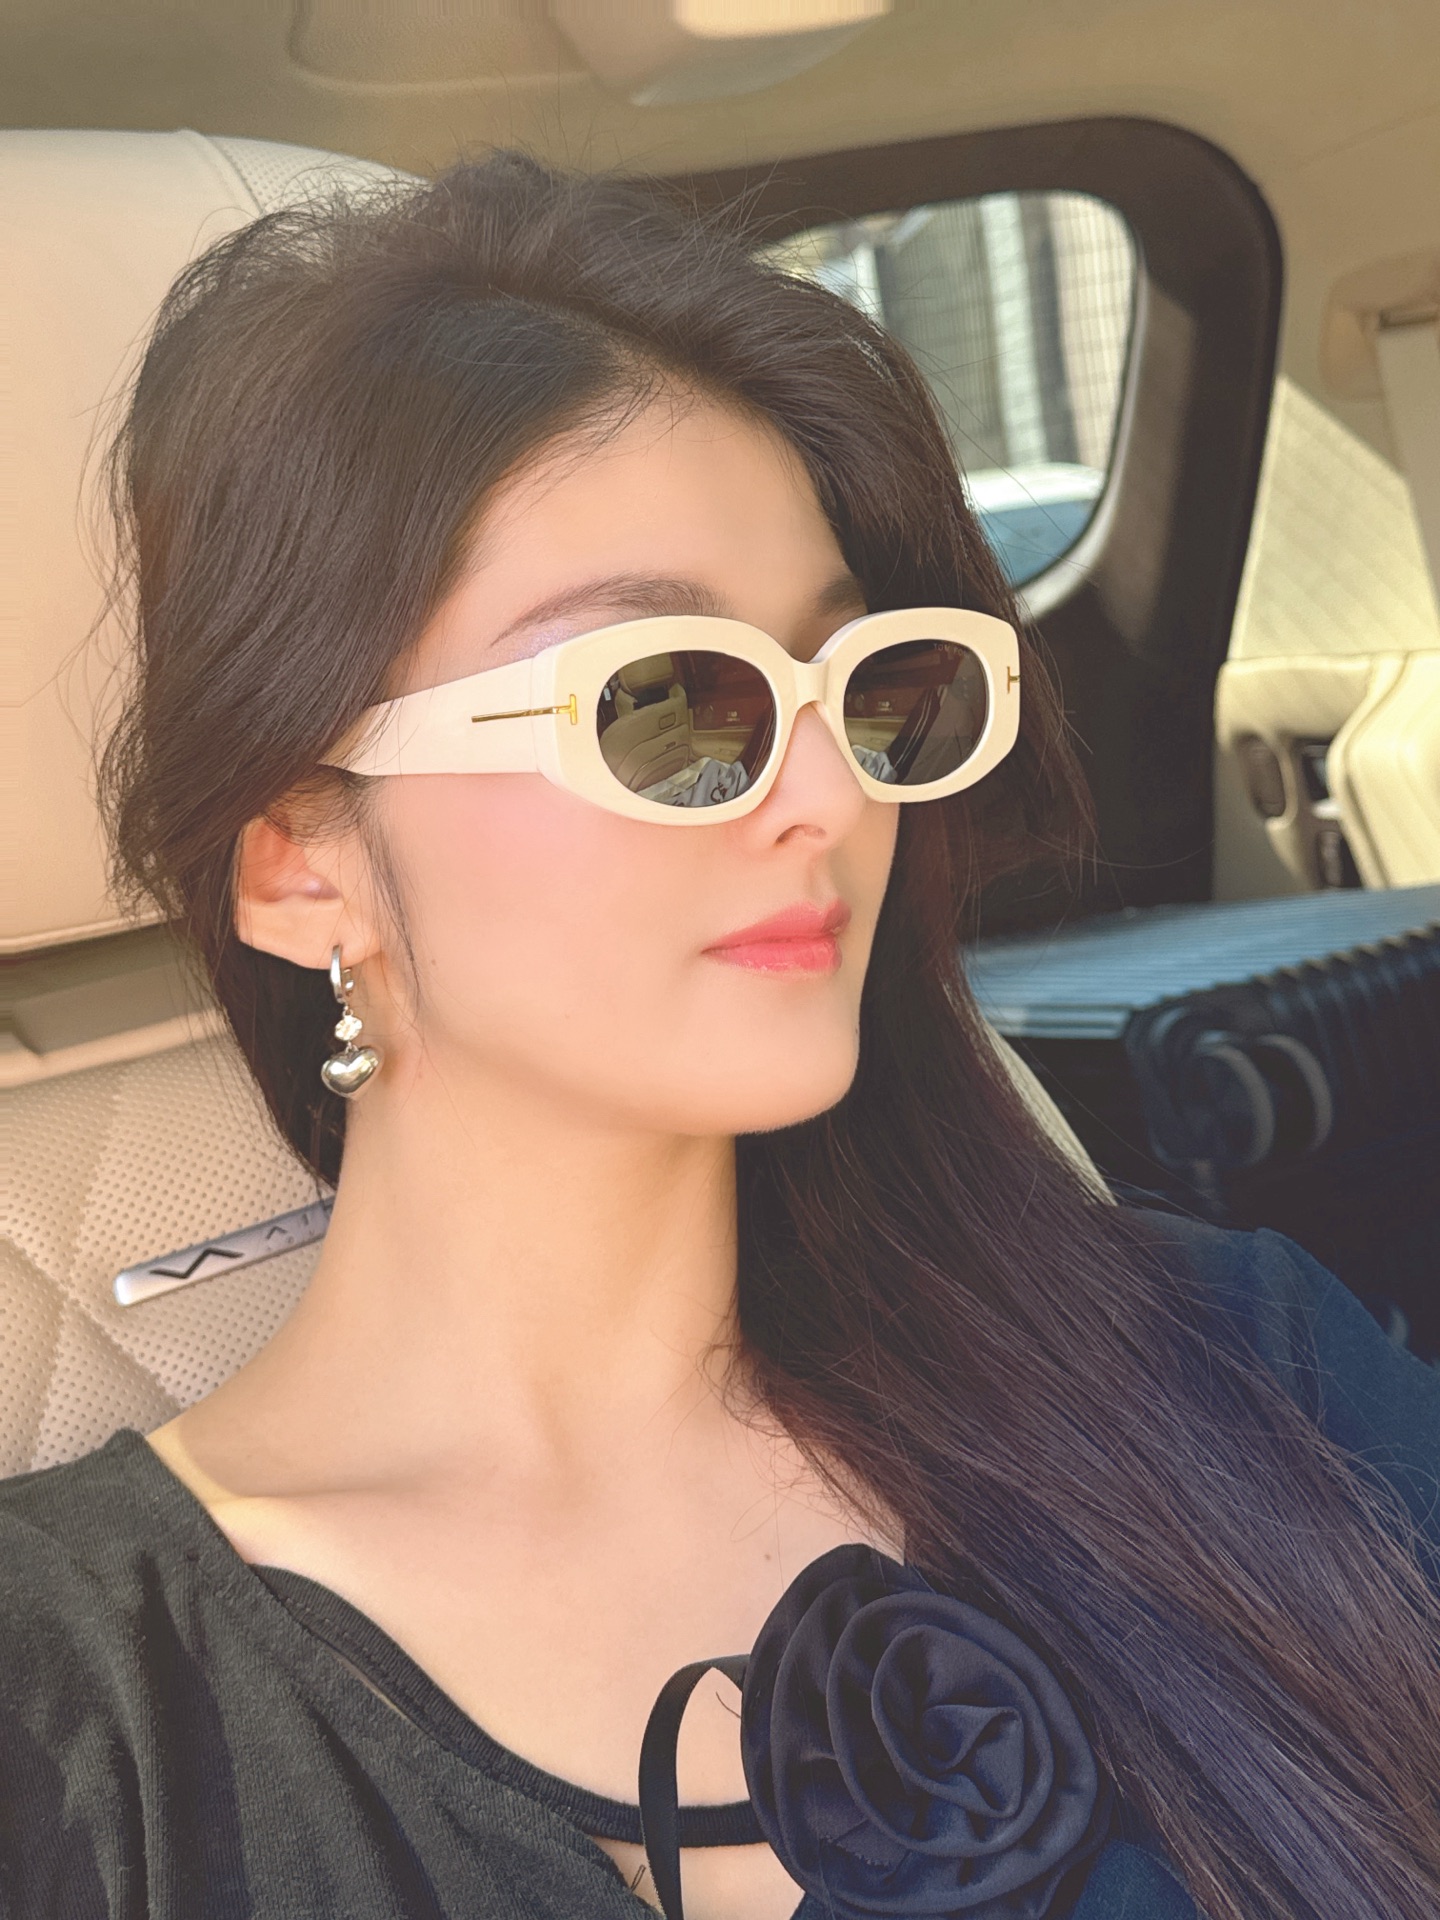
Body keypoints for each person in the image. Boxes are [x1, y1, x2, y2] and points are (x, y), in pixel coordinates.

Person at [2, 154, 1438, 1920]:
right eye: (667, 704)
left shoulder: (1230, 1368)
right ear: (303, 862)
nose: (830, 795)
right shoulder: (71, 1725)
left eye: (872, 690)